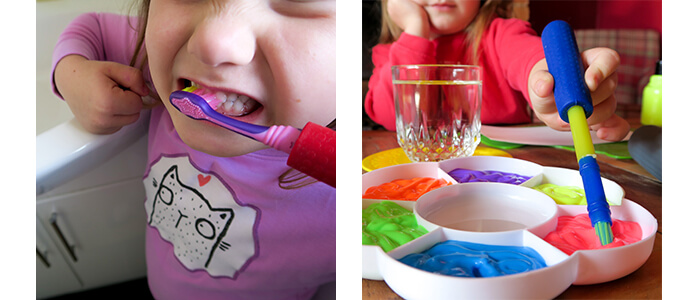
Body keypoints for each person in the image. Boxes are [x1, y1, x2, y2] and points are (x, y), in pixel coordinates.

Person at [51, 1, 336, 299]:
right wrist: (71, 76)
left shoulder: (352, 200)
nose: (212, 44)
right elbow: (92, 29)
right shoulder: (155, 53)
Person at [365, 0, 630, 141]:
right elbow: (391, 118)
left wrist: (554, 83)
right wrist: (415, 29)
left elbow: (530, 59)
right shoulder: (391, 53)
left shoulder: (501, 34)